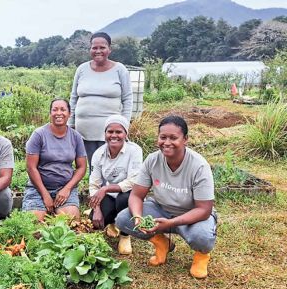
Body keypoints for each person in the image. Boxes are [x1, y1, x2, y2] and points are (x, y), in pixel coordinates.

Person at [115, 116, 217, 279]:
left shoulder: (199, 166)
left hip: (192, 215)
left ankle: (201, 256)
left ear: (185, 140)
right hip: (161, 209)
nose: (167, 142)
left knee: (202, 237)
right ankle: (162, 243)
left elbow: (204, 209)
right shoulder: (152, 160)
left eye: (173, 138)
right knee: (123, 219)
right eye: (163, 137)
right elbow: (136, 195)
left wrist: (172, 223)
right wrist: (137, 216)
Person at [68, 31, 133, 170]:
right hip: (84, 129)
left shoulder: (119, 69)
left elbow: (127, 99)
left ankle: (111, 191)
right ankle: (95, 191)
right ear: (90, 49)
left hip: (111, 130)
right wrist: (71, 123)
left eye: (102, 47)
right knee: (92, 166)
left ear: (109, 49)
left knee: (111, 166)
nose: (98, 51)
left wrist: (124, 125)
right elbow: (73, 97)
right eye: (94, 47)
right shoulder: (82, 69)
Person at [22, 99, 87, 221]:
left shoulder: (76, 137)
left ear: (69, 113)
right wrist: (45, 194)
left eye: (63, 109)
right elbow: (31, 167)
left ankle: (57, 210)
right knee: (33, 225)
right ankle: (44, 210)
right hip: (39, 187)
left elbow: (82, 167)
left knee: (70, 221)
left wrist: (67, 189)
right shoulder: (39, 135)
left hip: (65, 187)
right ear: (50, 113)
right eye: (55, 109)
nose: (59, 113)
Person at [88, 114, 143, 255]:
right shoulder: (98, 154)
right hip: (110, 195)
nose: (114, 135)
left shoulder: (134, 151)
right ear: (105, 134)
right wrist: (98, 209)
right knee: (94, 221)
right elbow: (94, 185)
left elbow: (134, 181)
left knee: (123, 199)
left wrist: (106, 188)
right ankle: (112, 223)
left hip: (129, 194)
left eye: (118, 132)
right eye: (110, 131)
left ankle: (125, 234)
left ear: (125, 134)